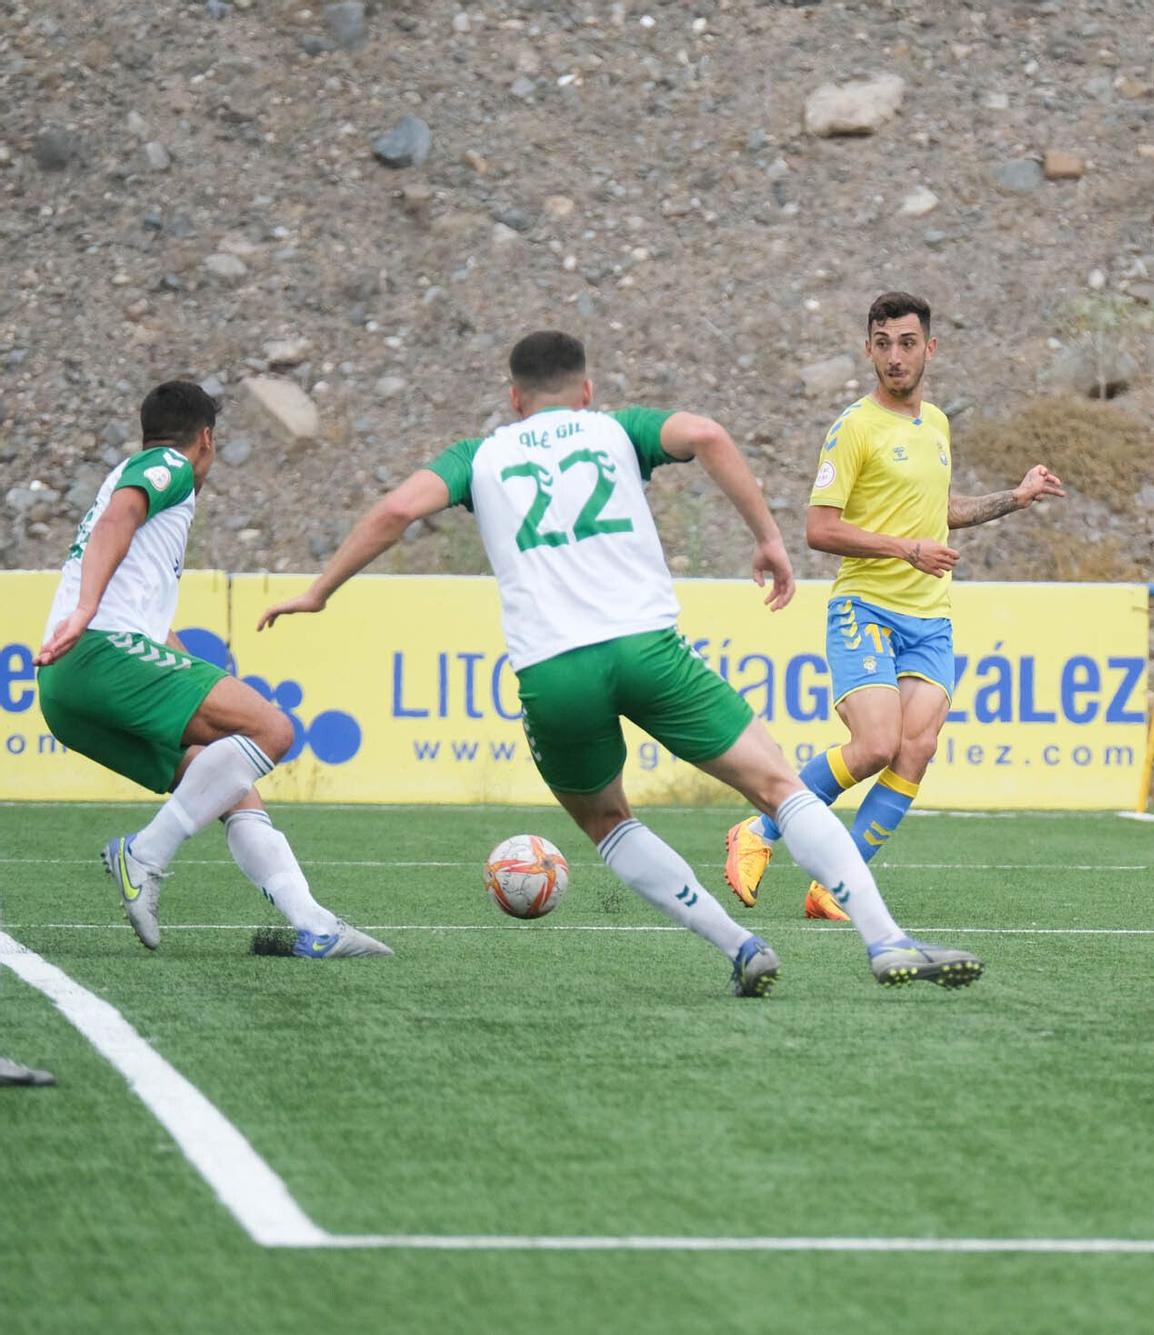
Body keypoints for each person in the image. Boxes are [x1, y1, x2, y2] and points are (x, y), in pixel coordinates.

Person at [257, 331, 982, 993]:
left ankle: (738, 946)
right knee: (779, 785)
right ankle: (884, 939)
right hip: (648, 651)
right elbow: (706, 433)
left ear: (513, 398)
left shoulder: (479, 456)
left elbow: (395, 511)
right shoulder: (614, 430)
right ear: (586, 389)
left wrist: (321, 589)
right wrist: (767, 537)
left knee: (607, 821)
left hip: (553, 672)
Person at [723, 292, 1064, 919]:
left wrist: (1015, 498)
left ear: (929, 349)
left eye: (907, 343)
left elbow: (941, 514)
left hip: (929, 618)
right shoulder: (854, 427)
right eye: (883, 343)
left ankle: (836, 887)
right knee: (877, 745)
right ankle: (758, 831)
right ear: (868, 349)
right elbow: (819, 529)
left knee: (917, 748)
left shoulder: (934, 424)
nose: (895, 356)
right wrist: (902, 549)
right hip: (867, 608)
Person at [33, 381, 389, 960]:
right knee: (272, 731)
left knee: (228, 783)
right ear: (207, 439)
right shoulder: (167, 467)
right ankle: (143, 855)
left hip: (68, 692)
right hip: (99, 652)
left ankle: (314, 926)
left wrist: (191, 670)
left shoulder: (141, 484)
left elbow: (149, 615)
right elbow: (117, 520)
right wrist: (85, 611)